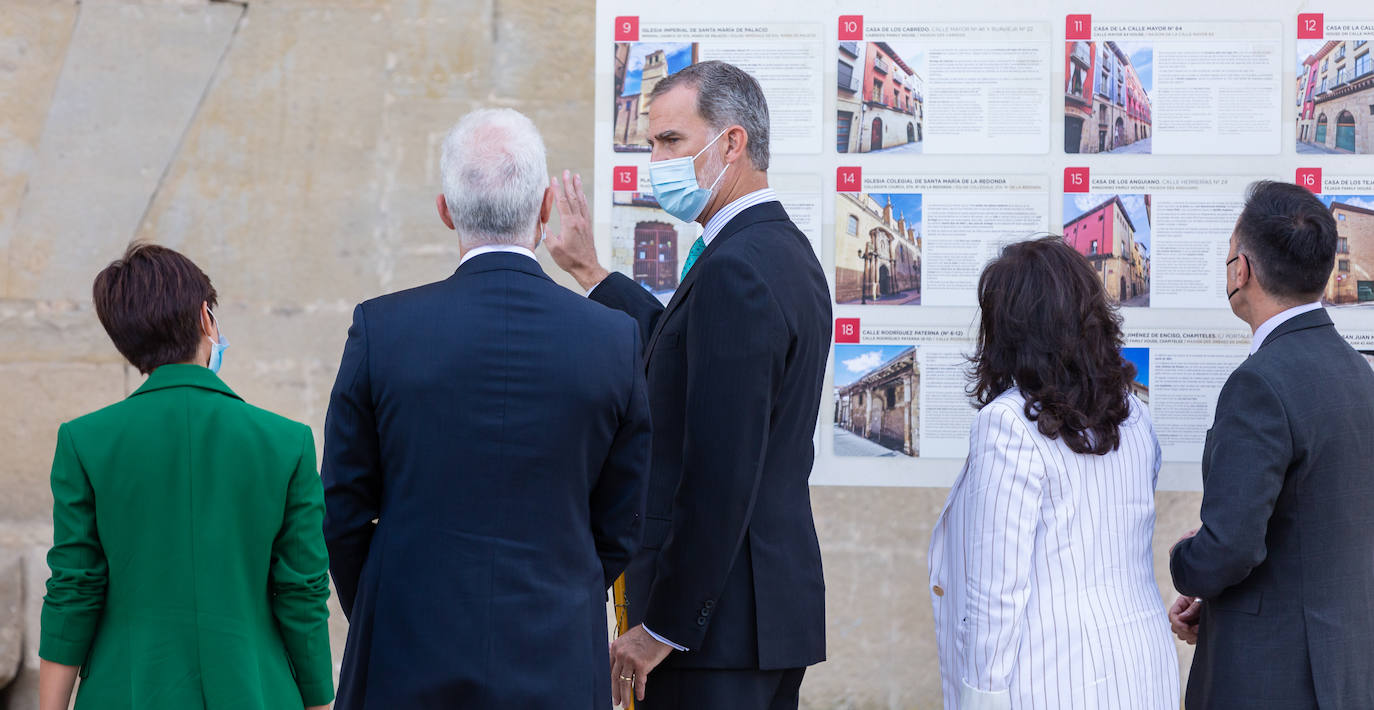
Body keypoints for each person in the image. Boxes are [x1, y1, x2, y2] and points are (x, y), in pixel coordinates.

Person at [321, 108, 651, 709]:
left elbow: (342, 506)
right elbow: (622, 518)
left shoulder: (384, 329)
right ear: (547, 206)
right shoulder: (614, 339)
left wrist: (383, 600)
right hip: (556, 651)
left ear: (446, 209)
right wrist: (563, 590)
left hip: (407, 647)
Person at [546, 61, 831, 709]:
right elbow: (684, 351)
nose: (656, 160)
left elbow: (720, 470)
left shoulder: (737, 269)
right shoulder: (777, 252)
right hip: (754, 620)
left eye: (670, 141)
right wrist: (593, 274)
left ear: (732, 143)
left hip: (714, 635)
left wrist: (663, 629)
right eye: (651, 143)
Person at [38, 244, 333, 710]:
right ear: (206, 318)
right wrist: (319, 702)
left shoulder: (84, 441)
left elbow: (74, 588)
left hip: (125, 693)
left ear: (125, 341)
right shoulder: (286, 442)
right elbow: (302, 593)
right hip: (256, 691)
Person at [928, 237, 1179, 710]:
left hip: (1051, 677)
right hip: (1142, 670)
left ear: (1006, 328)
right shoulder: (1134, 416)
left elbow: (996, 591)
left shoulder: (1006, 425)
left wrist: (981, 697)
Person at [1167, 181, 1374, 709]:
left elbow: (1231, 547)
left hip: (1271, 677)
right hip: (1345, 669)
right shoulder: (1358, 372)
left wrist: (1187, 559)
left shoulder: (1258, 383)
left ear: (1243, 271)